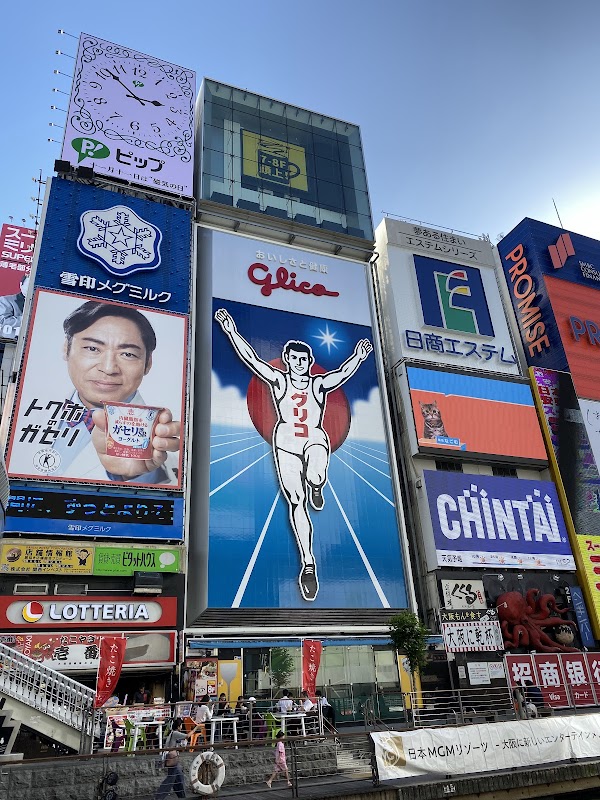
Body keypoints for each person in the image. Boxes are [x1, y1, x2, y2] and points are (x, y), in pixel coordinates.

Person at [215, 308, 372, 602]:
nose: (299, 363)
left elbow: (341, 374)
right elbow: (251, 359)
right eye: (294, 359)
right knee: (295, 501)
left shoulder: (318, 384)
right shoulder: (279, 380)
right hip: (285, 440)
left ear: (309, 363)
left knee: (315, 473)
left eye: (304, 360)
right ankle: (308, 563)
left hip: (313, 437)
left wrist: (359, 358)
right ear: (287, 360)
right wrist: (230, 330)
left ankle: (317, 484)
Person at [52, 300, 180, 483]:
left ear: (148, 363)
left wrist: (134, 475)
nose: (108, 368)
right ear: (66, 348)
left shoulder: (166, 439)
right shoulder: (24, 412)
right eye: (93, 348)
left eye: (127, 354)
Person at [155, 718, 191, 800]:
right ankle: (159, 797)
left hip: (173, 759)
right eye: (181, 725)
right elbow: (187, 736)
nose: (182, 727)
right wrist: (196, 728)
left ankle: (182, 796)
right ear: (179, 726)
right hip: (172, 759)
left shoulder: (172, 733)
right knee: (170, 780)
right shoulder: (175, 733)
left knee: (179, 777)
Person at [0, 274, 28, 340]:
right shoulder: (5, 300)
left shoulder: (40, 303)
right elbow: (3, 321)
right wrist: (29, 319)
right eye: (28, 285)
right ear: (21, 285)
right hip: (8, 341)